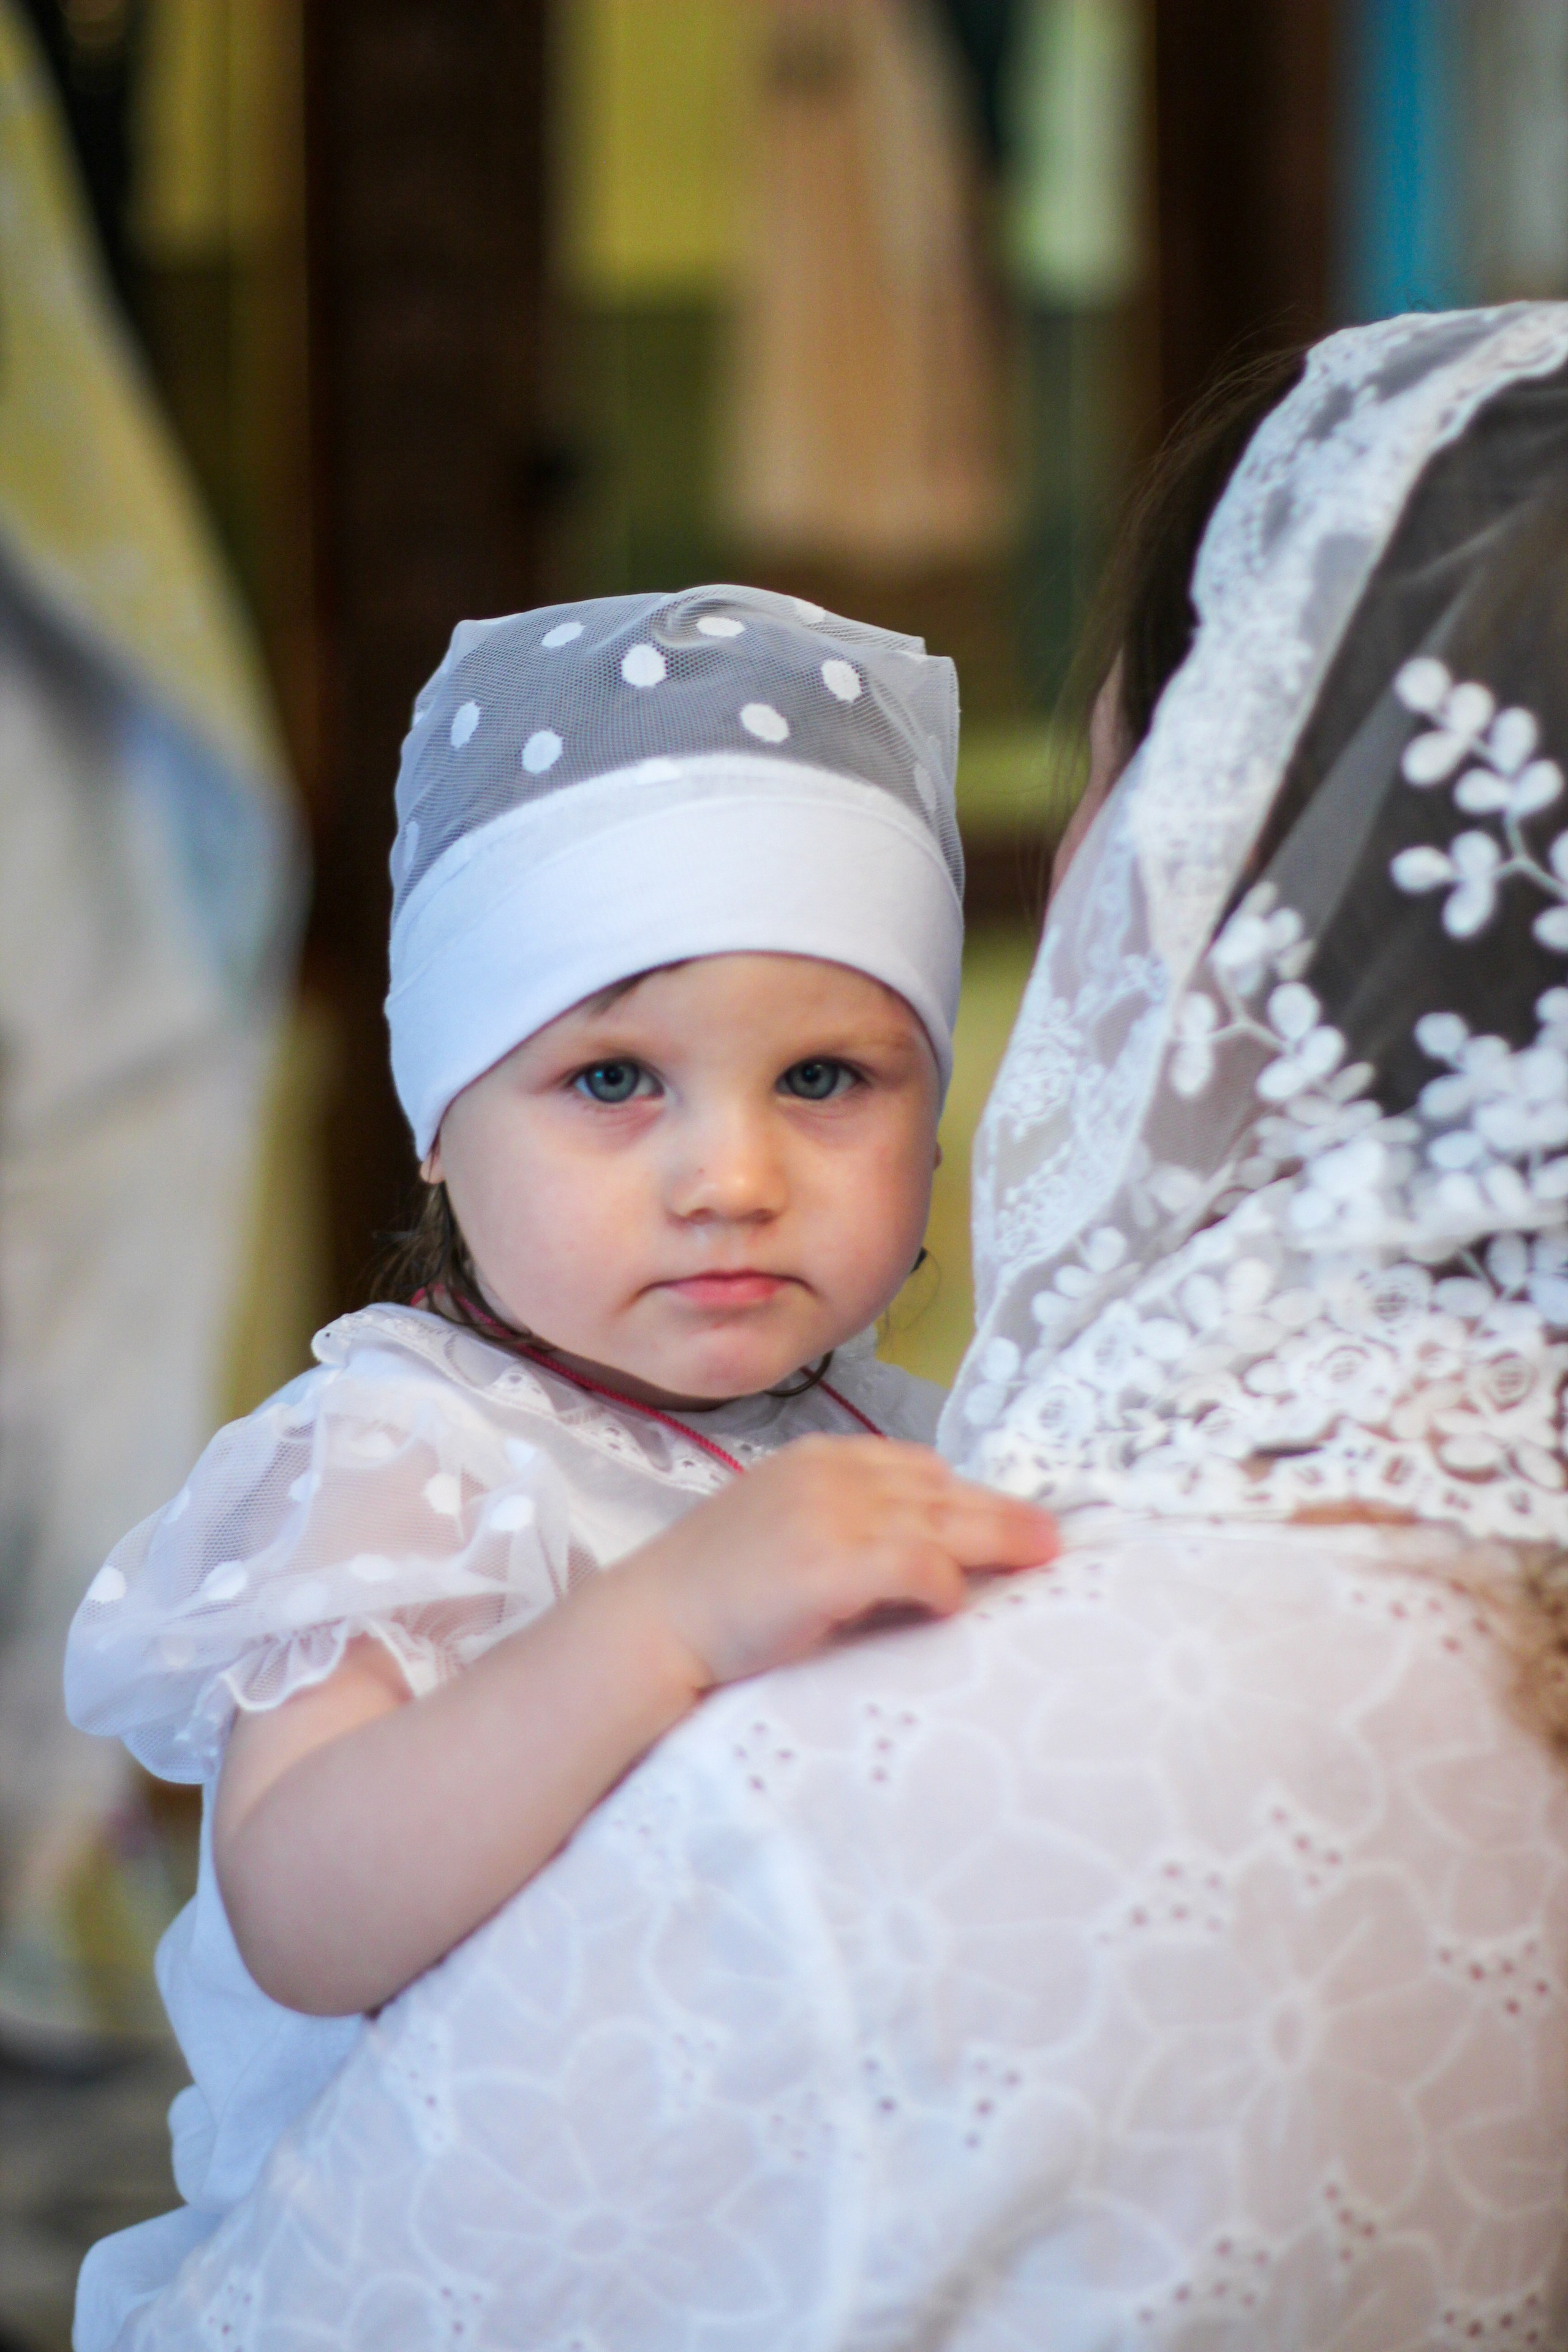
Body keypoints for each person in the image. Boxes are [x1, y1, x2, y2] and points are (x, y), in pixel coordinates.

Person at [62, 582, 1058, 2343]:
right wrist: (663, 1619)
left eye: (827, 1075)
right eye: (613, 1081)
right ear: (443, 1119)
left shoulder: (902, 1439)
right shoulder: (408, 1459)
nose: (731, 1175)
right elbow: (303, 1905)